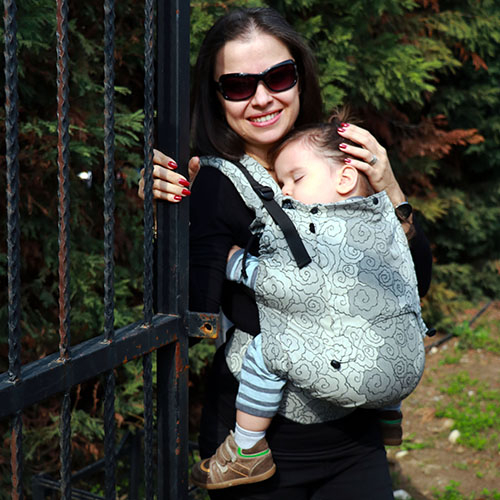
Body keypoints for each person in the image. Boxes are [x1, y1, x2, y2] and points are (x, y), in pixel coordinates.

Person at [138, 7, 432, 499]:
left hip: (355, 438)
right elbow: (188, 308)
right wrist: (164, 222)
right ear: (215, 97)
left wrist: (391, 191)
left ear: (300, 77)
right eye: (237, 85)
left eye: (277, 77)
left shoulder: (330, 156)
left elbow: (412, 285)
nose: (261, 98)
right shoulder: (213, 181)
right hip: (265, 448)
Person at [189, 118, 429, 490]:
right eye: (238, 87)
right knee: (386, 330)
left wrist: (237, 262)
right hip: (399, 371)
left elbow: (288, 283)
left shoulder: (322, 223)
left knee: (265, 352)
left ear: (345, 179)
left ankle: (248, 449)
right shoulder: (375, 217)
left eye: (295, 180)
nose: (285, 192)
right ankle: (388, 414)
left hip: (350, 433)